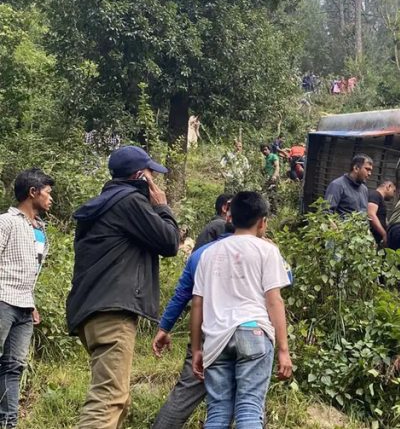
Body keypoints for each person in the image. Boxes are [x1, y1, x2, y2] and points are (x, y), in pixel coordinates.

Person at [66, 145, 180, 429]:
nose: (156, 181)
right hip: (111, 312)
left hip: (91, 311)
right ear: (141, 177)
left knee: (119, 397)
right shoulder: (128, 203)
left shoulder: (102, 204)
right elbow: (169, 242)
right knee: (109, 398)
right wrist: (163, 207)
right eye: (153, 175)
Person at [190, 192, 292, 428]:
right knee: (249, 409)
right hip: (253, 332)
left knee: (217, 412)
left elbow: (197, 303)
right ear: (262, 222)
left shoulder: (208, 253)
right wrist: (283, 350)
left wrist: (196, 348)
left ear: (230, 217)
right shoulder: (267, 250)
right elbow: (274, 300)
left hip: (216, 339)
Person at [151, 223, 235, 429]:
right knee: (250, 402)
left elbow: (182, 295)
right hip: (246, 331)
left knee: (185, 393)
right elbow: (286, 278)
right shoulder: (258, 248)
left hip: (207, 333)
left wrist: (164, 328)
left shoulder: (200, 255)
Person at [0, 169, 54, 428]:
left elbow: (31, 271)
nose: (50, 198)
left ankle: (8, 422)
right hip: (2, 299)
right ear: (33, 192)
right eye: (48, 192)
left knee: (14, 366)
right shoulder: (6, 222)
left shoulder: (41, 230)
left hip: (23, 306)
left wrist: (31, 302)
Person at [367, 180, 396, 247]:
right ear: (389, 186)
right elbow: (371, 214)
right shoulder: (375, 195)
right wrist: (384, 234)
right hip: (372, 239)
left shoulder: (378, 197)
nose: (393, 195)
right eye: (394, 191)